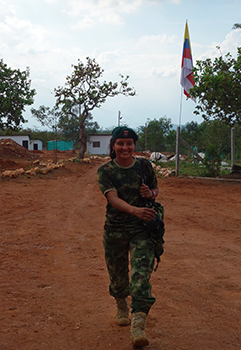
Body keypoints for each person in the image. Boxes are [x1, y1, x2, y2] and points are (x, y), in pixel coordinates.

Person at [97, 126, 160, 348]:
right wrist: (135, 209)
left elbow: (155, 189)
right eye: (120, 143)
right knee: (118, 275)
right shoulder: (106, 171)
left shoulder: (145, 165)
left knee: (141, 274)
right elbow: (113, 199)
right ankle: (121, 304)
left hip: (142, 228)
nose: (125, 147)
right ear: (113, 146)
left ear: (134, 146)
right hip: (115, 229)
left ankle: (138, 326)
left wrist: (149, 194)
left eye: (129, 143)